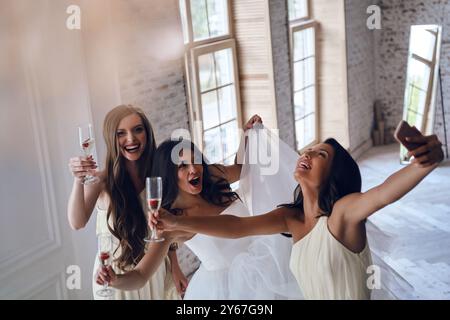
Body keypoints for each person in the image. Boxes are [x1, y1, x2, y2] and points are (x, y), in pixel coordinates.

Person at [152, 126, 444, 299]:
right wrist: (178, 222)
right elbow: (237, 226)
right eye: (309, 150)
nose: (307, 155)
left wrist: (422, 165)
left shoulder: (342, 214)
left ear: (334, 175)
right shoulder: (290, 218)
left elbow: (381, 194)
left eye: (321, 155)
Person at [94, 115, 295, 299]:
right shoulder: (173, 222)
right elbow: (140, 275)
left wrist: (245, 137)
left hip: (265, 263)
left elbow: (243, 169)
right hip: (226, 291)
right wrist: (115, 280)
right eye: (182, 166)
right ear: (169, 175)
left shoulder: (213, 176)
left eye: (195, 161)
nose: (193, 169)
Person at [67, 104, 183, 299]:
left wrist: (176, 267)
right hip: (115, 278)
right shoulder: (102, 182)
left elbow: (166, 230)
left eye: (138, 129)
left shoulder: (159, 176)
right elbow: (77, 223)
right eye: (121, 133)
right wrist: (78, 180)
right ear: (111, 139)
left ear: (147, 132)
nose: (131, 139)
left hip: (153, 270)